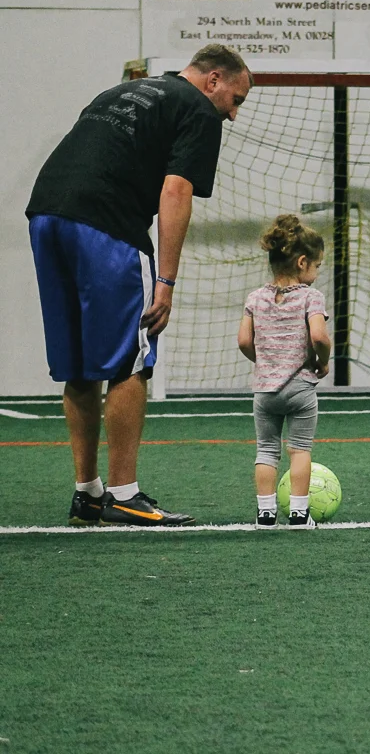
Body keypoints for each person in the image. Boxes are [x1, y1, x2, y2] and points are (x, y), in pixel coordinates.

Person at [28, 44, 251, 527]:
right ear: (213, 80)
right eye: (236, 100)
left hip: (45, 215)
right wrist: (165, 281)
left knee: (81, 365)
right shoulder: (198, 109)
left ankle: (88, 494)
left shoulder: (121, 91)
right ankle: (125, 494)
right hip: (105, 222)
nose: (233, 114)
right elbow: (176, 190)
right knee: (132, 355)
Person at [237, 215, 331, 528]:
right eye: (317, 265)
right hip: (300, 388)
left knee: (266, 450)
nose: (317, 272)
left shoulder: (255, 298)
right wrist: (323, 361)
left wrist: (264, 361)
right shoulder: (311, 297)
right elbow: (319, 337)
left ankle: (265, 514)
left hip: (265, 391)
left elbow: (244, 341)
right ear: (302, 262)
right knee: (299, 450)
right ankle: (299, 514)